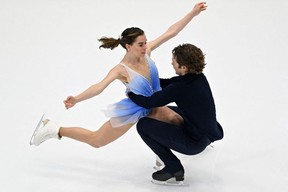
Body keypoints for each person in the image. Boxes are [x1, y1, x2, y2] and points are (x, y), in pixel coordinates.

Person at [29, 2, 208, 148]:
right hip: (136, 107)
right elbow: (98, 87)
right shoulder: (121, 70)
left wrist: (192, 13)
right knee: (96, 140)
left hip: (154, 103)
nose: (145, 47)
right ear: (128, 46)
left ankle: (165, 155)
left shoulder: (148, 53)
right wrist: (76, 98)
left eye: (145, 42)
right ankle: (54, 129)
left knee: (177, 121)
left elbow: (171, 32)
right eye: (140, 44)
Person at [128, 43, 224, 185]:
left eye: (174, 61)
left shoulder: (181, 88)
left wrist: (131, 92)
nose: (172, 63)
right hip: (208, 131)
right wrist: (145, 81)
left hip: (194, 144)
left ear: (183, 67)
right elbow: (169, 83)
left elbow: (149, 102)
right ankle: (204, 142)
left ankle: (174, 169)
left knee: (143, 126)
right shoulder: (197, 78)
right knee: (171, 109)